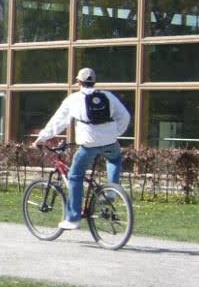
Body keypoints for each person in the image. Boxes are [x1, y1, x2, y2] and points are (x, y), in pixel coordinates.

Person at [33, 67, 131, 230]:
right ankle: (112, 191)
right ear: (94, 81)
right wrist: (113, 133)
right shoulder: (108, 96)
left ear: (78, 82)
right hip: (110, 142)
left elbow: (58, 122)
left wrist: (41, 138)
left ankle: (73, 218)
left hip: (88, 146)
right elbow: (125, 116)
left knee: (75, 176)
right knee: (114, 159)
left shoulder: (74, 99)